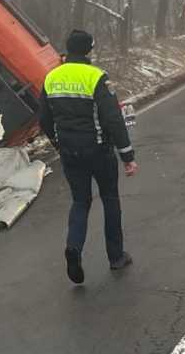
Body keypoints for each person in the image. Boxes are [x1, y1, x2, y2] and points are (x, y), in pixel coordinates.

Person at [38, 29, 138, 285]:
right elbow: (113, 119)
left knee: (80, 202)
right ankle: (116, 257)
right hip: (99, 150)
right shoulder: (96, 77)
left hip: (70, 152)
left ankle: (74, 247)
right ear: (89, 50)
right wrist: (127, 155)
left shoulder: (51, 78)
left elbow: (45, 119)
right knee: (110, 199)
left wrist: (58, 144)